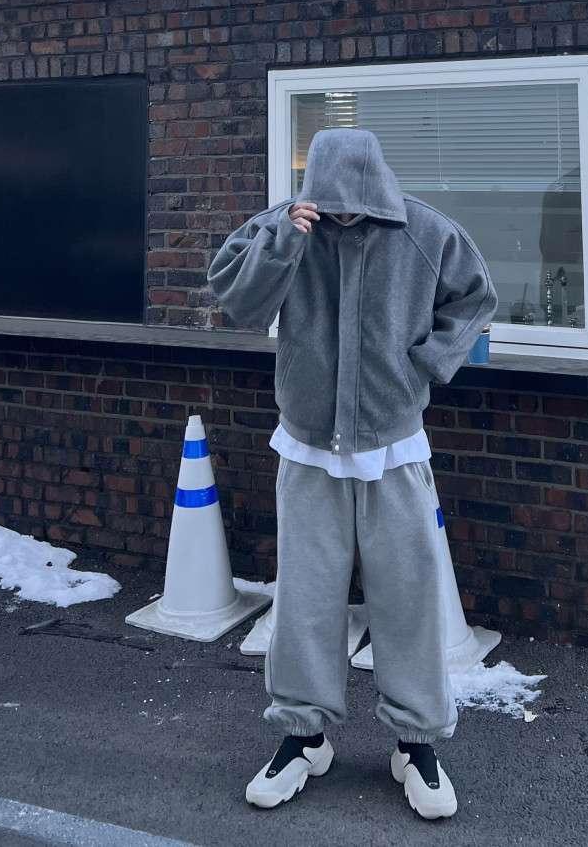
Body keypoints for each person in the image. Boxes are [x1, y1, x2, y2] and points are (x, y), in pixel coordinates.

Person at [207, 127, 497, 820]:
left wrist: (425, 366)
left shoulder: (425, 230)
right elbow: (239, 303)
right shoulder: (282, 226)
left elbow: (475, 298)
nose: (341, 214)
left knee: (409, 598)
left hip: (396, 449)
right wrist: (285, 238)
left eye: (353, 204)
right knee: (304, 601)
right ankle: (303, 737)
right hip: (308, 449)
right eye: (330, 202)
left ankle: (417, 744)